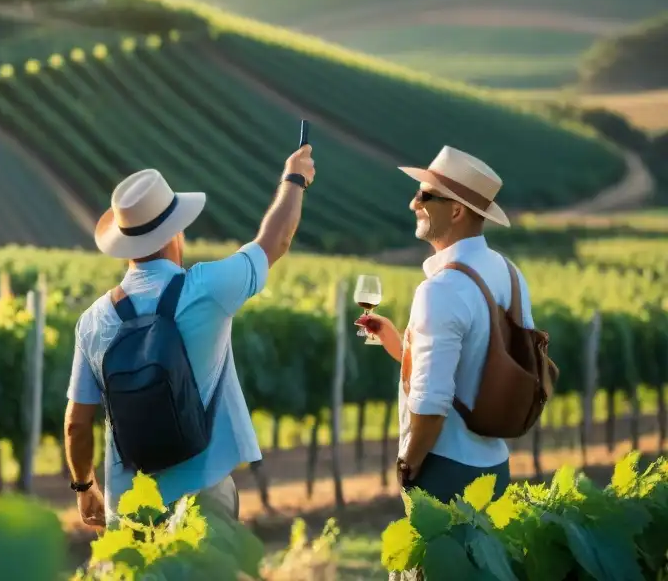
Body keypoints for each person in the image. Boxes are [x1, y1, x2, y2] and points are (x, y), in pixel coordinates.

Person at [63, 145, 316, 528]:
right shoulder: (207, 289)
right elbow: (276, 240)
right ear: (175, 232)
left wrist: (84, 487)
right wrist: (294, 178)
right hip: (203, 501)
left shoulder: (92, 321)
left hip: (130, 506)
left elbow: (76, 425)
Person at [357, 145, 533, 505]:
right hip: (495, 468)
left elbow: (432, 404)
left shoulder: (440, 290)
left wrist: (408, 463)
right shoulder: (510, 274)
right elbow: (474, 365)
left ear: (456, 210)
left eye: (425, 195)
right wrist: (398, 342)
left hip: (445, 471)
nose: (413, 203)